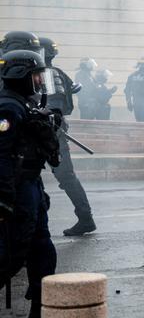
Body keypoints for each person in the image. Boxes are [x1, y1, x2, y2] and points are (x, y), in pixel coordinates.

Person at [0, 48, 61, 318]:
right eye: (36, 76)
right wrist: (4, 197)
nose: (39, 82)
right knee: (11, 256)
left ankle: (40, 309)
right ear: (20, 76)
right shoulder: (8, 108)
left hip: (31, 185)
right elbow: (1, 155)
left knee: (42, 250)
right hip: (17, 188)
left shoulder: (22, 104)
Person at [37, 37, 96, 236]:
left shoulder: (47, 74)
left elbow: (55, 106)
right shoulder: (44, 73)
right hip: (43, 132)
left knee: (64, 176)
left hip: (48, 133)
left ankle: (85, 218)